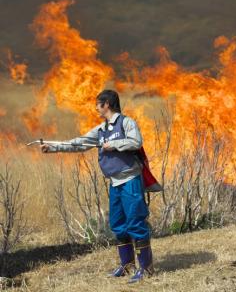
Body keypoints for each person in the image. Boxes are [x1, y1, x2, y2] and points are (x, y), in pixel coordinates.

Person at [41, 89, 154, 282]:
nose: (96, 108)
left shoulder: (127, 123)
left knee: (135, 222)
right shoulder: (100, 130)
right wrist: (53, 148)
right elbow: (80, 143)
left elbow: (136, 141)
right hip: (114, 182)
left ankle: (146, 268)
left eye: (98, 104)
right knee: (118, 224)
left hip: (130, 180)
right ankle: (127, 266)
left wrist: (115, 144)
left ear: (106, 104)